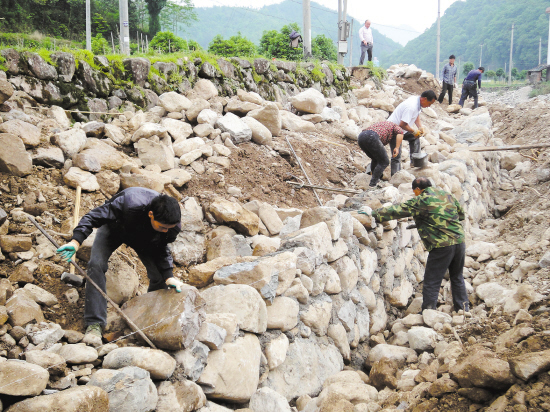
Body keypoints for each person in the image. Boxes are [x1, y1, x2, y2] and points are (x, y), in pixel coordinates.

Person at [56, 187, 184, 346]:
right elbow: (92, 217)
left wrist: (169, 276)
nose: (166, 230)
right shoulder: (127, 203)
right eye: (163, 227)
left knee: (160, 278)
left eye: (169, 228)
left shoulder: (171, 226)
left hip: (145, 238)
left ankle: (150, 320)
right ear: (151, 214)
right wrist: (75, 242)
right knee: (96, 264)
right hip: (115, 227)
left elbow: (162, 248)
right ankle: (95, 323)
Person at [371, 177, 469, 313]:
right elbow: (461, 215)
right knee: (457, 276)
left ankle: (429, 312)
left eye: (414, 192)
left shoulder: (422, 200)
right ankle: (463, 308)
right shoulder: (447, 195)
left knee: (432, 280)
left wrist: (373, 214)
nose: (414, 194)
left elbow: (398, 210)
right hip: (459, 242)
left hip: (441, 245)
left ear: (418, 189)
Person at [387, 90, 436, 175]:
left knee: (415, 138)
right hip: (393, 130)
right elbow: (402, 124)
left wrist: (420, 127)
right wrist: (413, 131)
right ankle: (395, 176)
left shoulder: (417, 102)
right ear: (424, 99)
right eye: (429, 103)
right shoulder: (411, 106)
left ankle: (415, 162)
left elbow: (416, 115)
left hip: (402, 129)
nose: (429, 106)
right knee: (396, 155)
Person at [357, 121, 404, 188]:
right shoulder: (395, 126)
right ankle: (373, 184)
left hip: (361, 137)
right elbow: (400, 133)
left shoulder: (384, 124)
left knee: (375, 159)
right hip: (372, 137)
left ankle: (374, 178)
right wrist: (397, 147)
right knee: (384, 161)